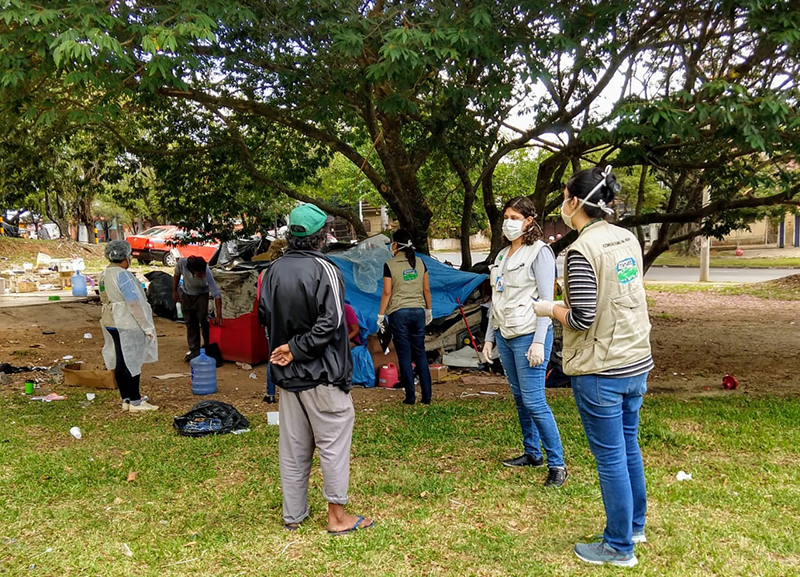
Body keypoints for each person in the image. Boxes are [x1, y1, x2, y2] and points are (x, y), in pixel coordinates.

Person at [533, 166, 653, 568]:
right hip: (636, 360)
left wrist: (548, 309)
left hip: (602, 368)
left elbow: (581, 317)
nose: (562, 204)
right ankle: (634, 525)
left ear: (575, 202)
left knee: (611, 457)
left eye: (565, 196)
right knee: (628, 445)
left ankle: (619, 546)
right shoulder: (627, 238)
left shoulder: (581, 251)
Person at [258, 203, 373, 535]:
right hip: (323, 374)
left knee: (293, 448)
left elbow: (264, 315)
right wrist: (296, 349)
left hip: (287, 376)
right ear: (322, 236)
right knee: (333, 443)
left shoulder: (272, 270)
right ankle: (337, 518)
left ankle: (293, 515)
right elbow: (332, 322)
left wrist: (287, 348)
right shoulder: (326, 269)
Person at [482, 197, 567, 487]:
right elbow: (497, 299)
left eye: (515, 217)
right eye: (506, 217)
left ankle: (557, 464)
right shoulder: (503, 255)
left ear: (529, 221)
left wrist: (539, 342)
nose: (509, 222)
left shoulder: (540, 252)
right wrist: (489, 338)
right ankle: (533, 453)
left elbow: (547, 301)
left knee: (534, 401)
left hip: (529, 335)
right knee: (520, 399)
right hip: (505, 334)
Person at [99, 240, 159, 412]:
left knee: (121, 359)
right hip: (126, 321)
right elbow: (133, 303)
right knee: (132, 361)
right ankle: (135, 401)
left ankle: (126, 398)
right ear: (125, 257)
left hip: (110, 320)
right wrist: (146, 327)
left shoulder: (104, 273)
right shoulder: (123, 275)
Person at [377, 229, 433, 405]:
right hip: (418, 312)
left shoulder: (390, 264)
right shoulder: (420, 262)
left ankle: (410, 396)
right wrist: (428, 310)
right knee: (420, 352)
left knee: (404, 354)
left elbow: (387, 292)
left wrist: (380, 315)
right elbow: (426, 289)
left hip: (398, 313)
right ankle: (427, 396)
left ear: (395, 245)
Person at [172, 255, 223, 362]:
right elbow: (176, 274)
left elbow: (217, 294)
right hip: (186, 294)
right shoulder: (182, 263)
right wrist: (174, 290)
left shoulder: (207, 272)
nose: (202, 275)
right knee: (190, 322)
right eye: (200, 274)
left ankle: (208, 346)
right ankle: (194, 349)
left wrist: (219, 316)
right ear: (192, 271)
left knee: (203, 320)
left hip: (202, 295)